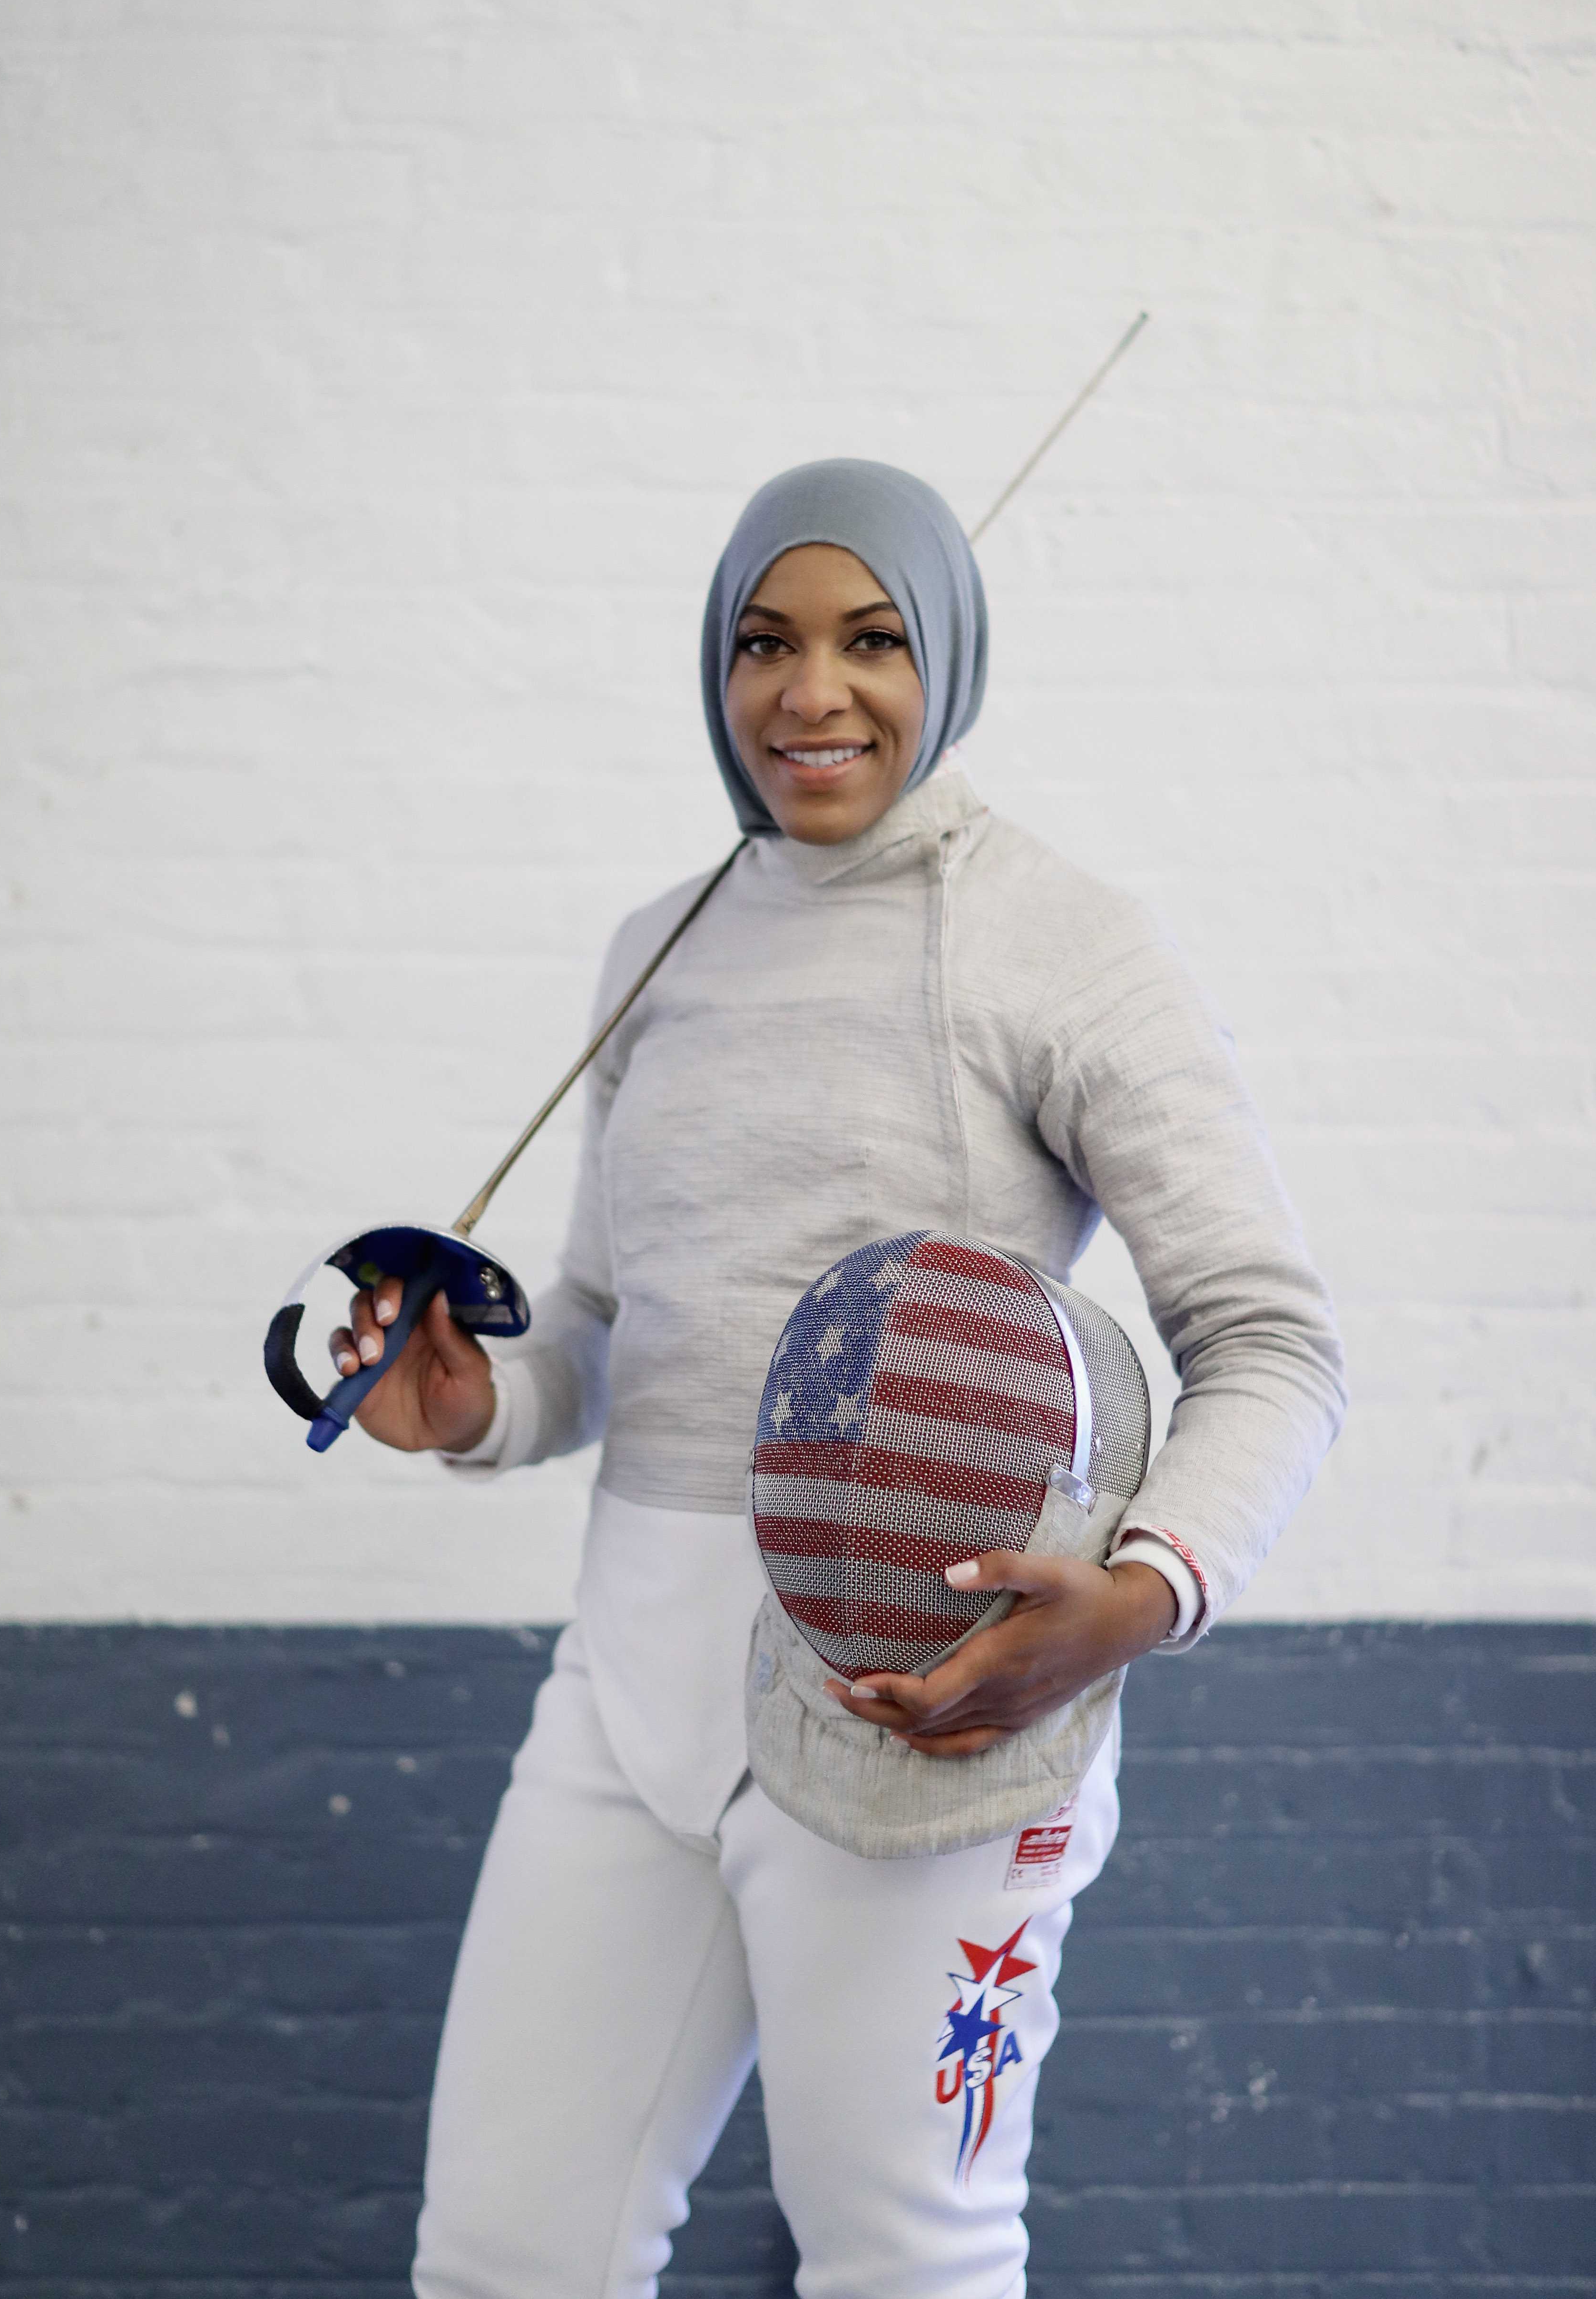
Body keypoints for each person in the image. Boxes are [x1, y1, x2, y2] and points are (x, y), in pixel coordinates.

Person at [330, 461, 1346, 2299]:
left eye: (869, 641)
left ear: (940, 654)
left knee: (905, 2264)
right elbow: (602, 1326)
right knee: (505, 2253)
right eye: (763, 644)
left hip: (922, 1692)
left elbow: (1272, 1335)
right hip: (625, 1696)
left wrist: (1132, 1602)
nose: (813, 695)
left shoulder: (1063, 939)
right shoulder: (660, 949)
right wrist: (475, 1405)